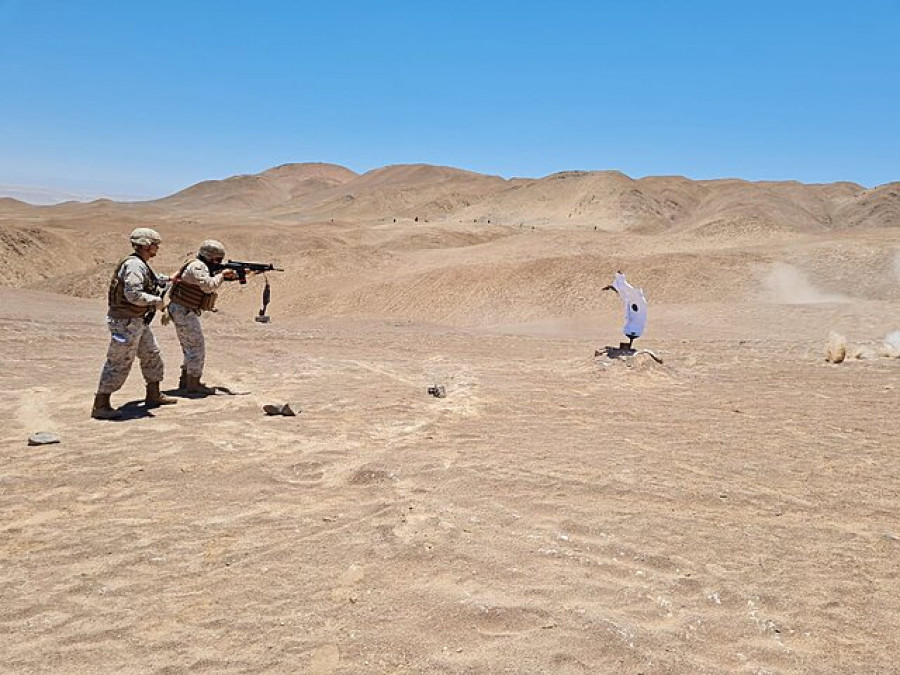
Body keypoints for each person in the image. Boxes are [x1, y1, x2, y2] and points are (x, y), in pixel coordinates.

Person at [92, 228, 178, 419]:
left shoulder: (140, 264)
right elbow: (133, 295)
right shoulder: (134, 266)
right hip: (126, 322)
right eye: (156, 245)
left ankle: (153, 395)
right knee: (119, 362)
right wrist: (156, 301)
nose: (158, 248)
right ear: (147, 245)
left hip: (137, 321)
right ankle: (101, 404)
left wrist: (170, 279)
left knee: (152, 354)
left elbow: (151, 281)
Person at [166, 239, 237, 395]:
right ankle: (193, 383)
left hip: (183, 310)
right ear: (209, 256)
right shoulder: (198, 267)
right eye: (217, 259)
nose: (218, 262)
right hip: (183, 311)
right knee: (196, 347)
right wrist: (223, 275)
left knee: (190, 347)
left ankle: (186, 381)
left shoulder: (199, 264)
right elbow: (208, 286)